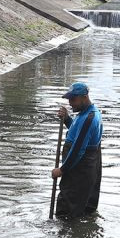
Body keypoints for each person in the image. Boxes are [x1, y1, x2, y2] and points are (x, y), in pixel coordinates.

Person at [51, 82, 103, 219]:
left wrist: (61, 170)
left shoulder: (89, 118)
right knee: (83, 209)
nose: (70, 103)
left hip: (80, 170)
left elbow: (78, 149)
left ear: (84, 97)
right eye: (69, 99)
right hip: (84, 169)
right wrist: (67, 119)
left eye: (73, 99)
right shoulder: (85, 114)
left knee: (67, 211)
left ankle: (65, 237)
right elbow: (77, 133)